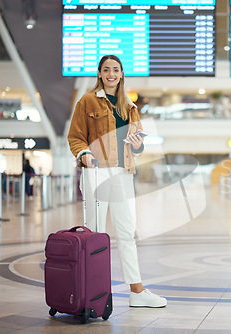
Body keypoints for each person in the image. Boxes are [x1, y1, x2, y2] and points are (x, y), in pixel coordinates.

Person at [67, 55, 167, 308]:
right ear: (99, 74)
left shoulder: (130, 107)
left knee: (127, 233)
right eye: (106, 70)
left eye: (116, 70)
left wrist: (138, 145)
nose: (111, 74)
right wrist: (84, 154)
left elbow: (137, 145)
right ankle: (91, 291)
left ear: (122, 74)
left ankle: (137, 291)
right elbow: (75, 137)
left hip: (123, 175)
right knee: (95, 234)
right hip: (96, 173)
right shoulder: (87, 101)